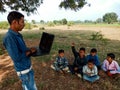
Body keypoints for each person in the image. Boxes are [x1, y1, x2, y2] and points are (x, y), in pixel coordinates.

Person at [3, 11, 37, 90]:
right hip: (24, 72)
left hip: (27, 69)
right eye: (22, 22)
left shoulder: (17, 34)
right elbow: (16, 57)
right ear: (14, 22)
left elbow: (22, 50)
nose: (24, 24)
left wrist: (29, 49)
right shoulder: (9, 37)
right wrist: (30, 52)